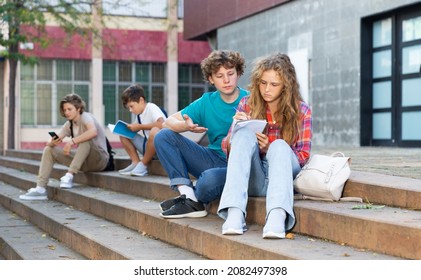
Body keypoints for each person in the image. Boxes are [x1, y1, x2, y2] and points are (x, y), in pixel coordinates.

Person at [217, 53, 312, 239]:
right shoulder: (247, 103)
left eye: (274, 84)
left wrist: (270, 149)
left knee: (278, 145)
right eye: (262, 83)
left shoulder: (302, 110)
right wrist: (235, 131)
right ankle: (235, 214)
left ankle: (277, 216)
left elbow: (303, 157)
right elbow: (225, 147)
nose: (266, 89)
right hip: (255, 179)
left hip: (283, 179)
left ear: (286, 86)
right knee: (243, 134)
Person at [154, 50, 248, 219]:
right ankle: (188, 196)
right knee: (163, 136)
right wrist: (185, 126)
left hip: (240, 165)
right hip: (212, 158)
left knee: (207, 182)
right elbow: (167, 122)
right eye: (219, 76)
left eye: (230, 74)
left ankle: (191, 199)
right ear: (211, 79)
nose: (226, 80)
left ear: (238, 73)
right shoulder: (206, 101)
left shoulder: (251, 100)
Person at [19, 93, 110, 200]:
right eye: (65, 110)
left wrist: (71, 142)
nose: (66, 112)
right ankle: (40, 189)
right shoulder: (69, 124)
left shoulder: (86, 117)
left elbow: (93, 132)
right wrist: (52, 142)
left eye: (69, 109)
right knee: (49, 150)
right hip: (83, 162)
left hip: (99, 160)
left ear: (78, 108)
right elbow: (55, 138)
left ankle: (69, 176)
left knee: (86, 140)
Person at [117, 84, 166, 176]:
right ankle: (135, 162)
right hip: (148, 148)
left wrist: (139, 127)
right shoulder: (139, 114)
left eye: (132, 106)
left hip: (160, 149)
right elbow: (137, 127)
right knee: (123, 133)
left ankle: (143, 165)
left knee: (155, 130)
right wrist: (128, 127)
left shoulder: (151, 107)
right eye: (128, 108)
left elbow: (161, 124)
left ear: (141, 100)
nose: (130, 110)